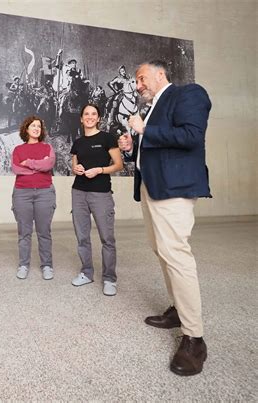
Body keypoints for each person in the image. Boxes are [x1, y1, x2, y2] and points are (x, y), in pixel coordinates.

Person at [118, 60, 212, 376]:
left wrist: (146, 129)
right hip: (151, 187)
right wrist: (132, 147)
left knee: (176, 255)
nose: (138, 84)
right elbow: (155, 148)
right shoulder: (153, 109)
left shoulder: (189, 94)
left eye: (141, 77)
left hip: (174, 187)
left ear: (160, 74)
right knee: (162, 251)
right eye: (136, 80)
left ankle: (194, 338)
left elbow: (191, 136)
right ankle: (178, 310)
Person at [70, 104, 123, 295]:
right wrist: (75, 169)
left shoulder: (107, 138)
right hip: (78, 193)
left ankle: (109, 278)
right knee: (82, 236)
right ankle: (86, 272)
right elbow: (74, 164)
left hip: (101, 193)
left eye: (93, 114)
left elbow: (118, 165)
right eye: (86, 114)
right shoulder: (78, 142)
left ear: (98, 118)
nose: (90, 117)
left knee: (107, 238)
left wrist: (100, 170)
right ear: (82, 119)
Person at [11, 116, 56, 280]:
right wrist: (38, 165)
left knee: (44, 232)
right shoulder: (17, 150)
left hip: (44, 192)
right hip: (22, 193)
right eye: (33, 126)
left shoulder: (48, 147)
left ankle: (47, 265)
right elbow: (16, 169)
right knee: (24, 232)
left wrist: (28, 162)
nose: (36, 128)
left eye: (39, 126)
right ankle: (23, 264)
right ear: (26, 129)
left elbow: (49, 165)